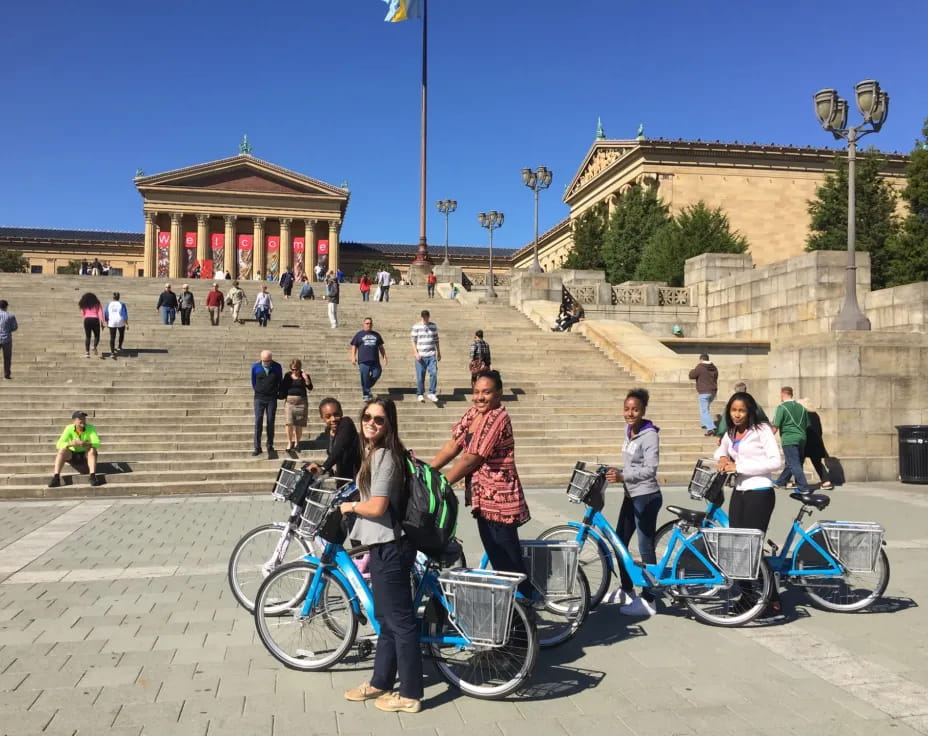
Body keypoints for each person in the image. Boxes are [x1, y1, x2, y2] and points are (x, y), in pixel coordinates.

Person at [341, 398, 424, 714]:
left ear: (390, 423)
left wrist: (350, 507)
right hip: (383, 546)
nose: (371, 423)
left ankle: (412, 695)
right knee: (386, 619)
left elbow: (377, 507)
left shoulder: (385, 456)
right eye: (367, 417)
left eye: (379, 419)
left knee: (400, 623)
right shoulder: (374, 454)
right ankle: (381, 681)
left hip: (392, 548)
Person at [430, 370, 533, 598]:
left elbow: (471, 458)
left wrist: (442, 483)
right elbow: (453, 445)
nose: (480, 397)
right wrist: (428, 472)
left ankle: (528, 608)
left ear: (499, 394)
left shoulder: (497, 417)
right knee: (498, 561)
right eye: (476, 392)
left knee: (509, 567)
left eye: (486, 392)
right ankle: (515, 616)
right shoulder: (474, 414)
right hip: (483, 501)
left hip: (501, 503)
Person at [714, 391, 784, 620]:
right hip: (740, 492)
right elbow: (721, 449)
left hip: (760, 492)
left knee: (751, 546)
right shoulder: (732, 431)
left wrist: (740, 466)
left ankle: (768, 598)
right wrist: (722, 459)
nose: (737, 414)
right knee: (737, 546)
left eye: (741, 410)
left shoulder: (761, 430)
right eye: (733, 410)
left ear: (750, 411)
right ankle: (749, 596)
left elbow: (776, 462)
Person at [603, 389, 662, 617]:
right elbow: (632, 465)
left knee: (645, 547)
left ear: (643, 410)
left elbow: (650, 469)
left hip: (646, 497)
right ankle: (627, 589)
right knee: (619, 541)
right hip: (631, 495)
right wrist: (617, 472)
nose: (630, 413)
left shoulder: (649, 435)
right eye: (627, 409)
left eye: (635, 409)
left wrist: (623, 476)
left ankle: (649, 599)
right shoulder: (629, 431)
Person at [308, 398, 361, 481]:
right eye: (328, 416)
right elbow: (333, 455)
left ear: (341, 413)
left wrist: (324, 467)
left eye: (336, 414)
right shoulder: (328, 431)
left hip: (356, 478)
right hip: (342, 478)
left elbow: (340, 447)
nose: (333, 419)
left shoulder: (346, 423)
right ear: (322, 418)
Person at [48, 411, 102, 488]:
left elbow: (97, 443)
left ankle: (92, 476)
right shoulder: (69, 428)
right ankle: (56, 477)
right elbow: (58, 444)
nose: (82, 420)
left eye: (84, 418)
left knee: (92, 450)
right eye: (80, 418)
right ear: (74, 421)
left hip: (85, 456)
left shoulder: (90, 428)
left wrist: (86, 444)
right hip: (73, 455)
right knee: (62, 450)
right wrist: (71, 444)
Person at [773, 386, 810, 493]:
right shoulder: (802, 408)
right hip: (802, 437)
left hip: (789, 438)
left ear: (782, 394)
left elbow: (775, 425)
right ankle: (781, 482)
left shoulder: (782, 407)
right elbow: (807, 424)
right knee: (791, 462)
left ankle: (803, 487)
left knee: (794, 463)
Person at [251, 350, 282, 456]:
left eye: (268, 361)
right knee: (258, 421)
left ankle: (269, 445)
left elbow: (280, 381)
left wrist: (276, 392)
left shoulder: (277, 367)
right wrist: (259, 390)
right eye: (264, 361)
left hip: (271, 399)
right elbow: (253, 382)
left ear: (271, 359)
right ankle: (257, 447)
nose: (266, 363)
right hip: (259, 398)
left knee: (270, 421)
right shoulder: (256, 367)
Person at [279, 359, 313, 457]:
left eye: (296, 369)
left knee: (299, 424)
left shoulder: (304, 376)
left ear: (299, 368)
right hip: (289, 402)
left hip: (301, 402)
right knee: (289, 423)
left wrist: (306, 378)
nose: (295, 371)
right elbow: (283, 387)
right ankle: (290, 442)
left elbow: (310, 387)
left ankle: (297, 443)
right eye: (293, 369)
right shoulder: (287, 376)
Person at [799, 398, 833, 490]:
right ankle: (826, 481)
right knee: (817, 463)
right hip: (817, 442)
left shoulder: (802, 415)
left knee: (798, 462)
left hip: (806, 441)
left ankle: (800, 482)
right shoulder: (816, 415)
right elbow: (820, 430)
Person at [351, 318, 387, 401]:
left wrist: (384, 356)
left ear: (372, 324)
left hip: (375, 360)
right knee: (364, 377)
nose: (368, 325)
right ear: (363, 324)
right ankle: (366, 394)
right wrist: (353, 357)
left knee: (377, 374)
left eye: (370, 323)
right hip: (363, 361)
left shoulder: (376, 335)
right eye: (367, 323)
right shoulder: (359, 334)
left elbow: (381, 347)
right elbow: (354, 346)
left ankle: (366, 386)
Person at [411, 309, 440, 402]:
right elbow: (413, 341)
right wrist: (415, 353)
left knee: (434, 373)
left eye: (426, 317)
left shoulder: (433, 326)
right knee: (420, 376)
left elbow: (436, 339)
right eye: (423, 317)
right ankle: (420, 393)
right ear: (421, 317)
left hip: (431, 354)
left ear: (428, 317)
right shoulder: (416, 327)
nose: (425, 319)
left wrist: (439, 352)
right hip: (421, 355)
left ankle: (431, 392)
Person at [689, 353, 718, 435]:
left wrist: (692, 370)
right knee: (705, 409)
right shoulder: (714, 368)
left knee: (704, 410)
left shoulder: (700, 367)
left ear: (701, 359)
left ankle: (711, 427)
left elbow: (692, 375)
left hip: (704, 392)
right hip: (713, 392)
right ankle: (704, 424)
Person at [78, 293, 104, 358]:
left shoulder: (84, 304)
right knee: (97, 335)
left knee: (88, 336)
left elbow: (82, 312)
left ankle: (87, 353)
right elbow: (100, 313)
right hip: (95, 319)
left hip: (87, 319)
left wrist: (85, 317)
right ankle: (94, 346)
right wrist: (102, 323)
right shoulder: (97, 303)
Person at [104, 292, 128, 359]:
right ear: (119, 297)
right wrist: (127, 323)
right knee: (121, 334)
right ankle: (119, 347)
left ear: (113, 297)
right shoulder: (122, 304)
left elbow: (106, 313)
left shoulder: (109, 304)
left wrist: (106, 321)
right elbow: (124, 314)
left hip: (112, 321)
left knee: (112, 337)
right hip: (120, 321)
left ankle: (112, 352)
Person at [0, 299, 17, 380]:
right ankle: (7, 374)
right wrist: (8, 330)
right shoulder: (10, 316)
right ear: (6, 307)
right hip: (6, 338)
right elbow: (15, 327)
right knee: (7, 357)